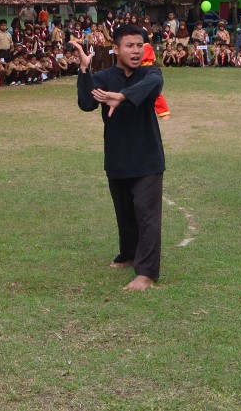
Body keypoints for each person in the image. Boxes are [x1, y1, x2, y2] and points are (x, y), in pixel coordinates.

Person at [74, 25, 165, 292]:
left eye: (140, 45)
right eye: (129, 46)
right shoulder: (104, 77)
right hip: (118, 156)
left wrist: (122, 97)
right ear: (116, 49)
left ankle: (146, 272)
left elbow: (154, 86)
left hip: (148, 158)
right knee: (125, 213)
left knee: (147, 215)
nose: (136, 51)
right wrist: (83, 71)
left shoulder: (150, 73)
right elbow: (87, 104)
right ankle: (128, 255)